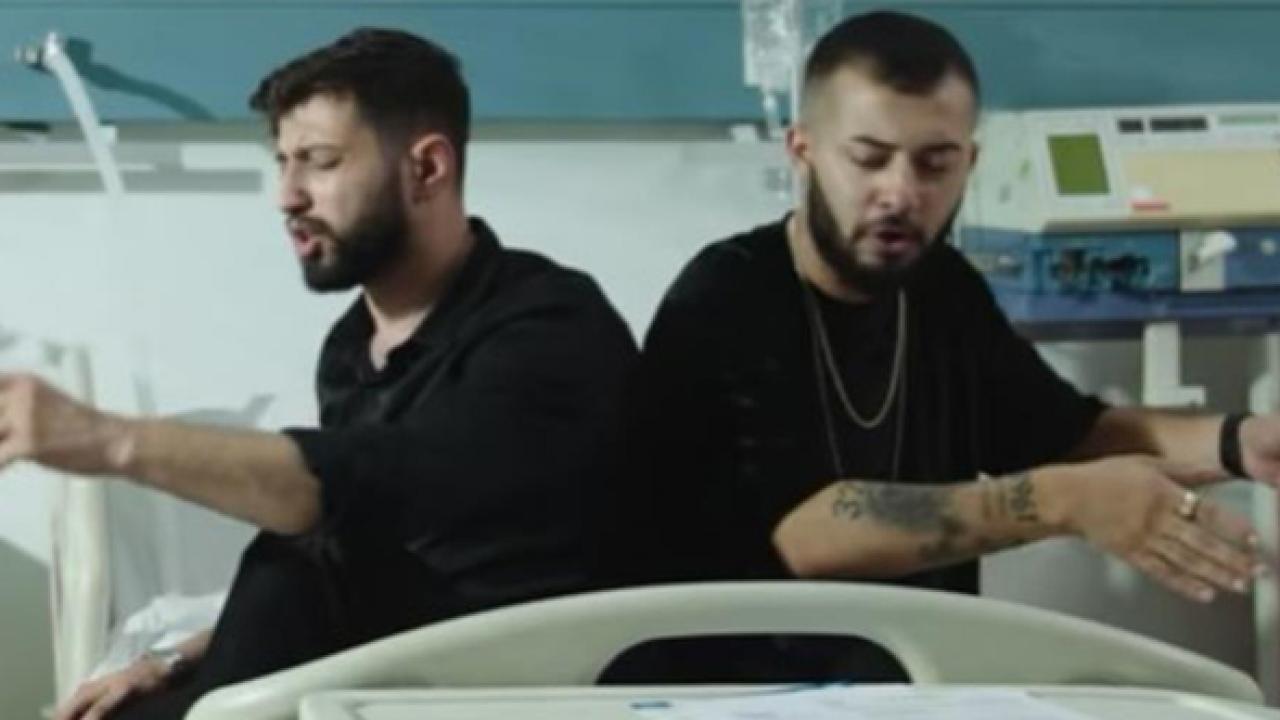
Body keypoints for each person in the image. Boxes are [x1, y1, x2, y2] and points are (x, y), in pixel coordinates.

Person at [12, 28, 638, 720]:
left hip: (492, 691)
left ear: (427, 169)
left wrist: (105, 440)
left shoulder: (549, 329)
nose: (287, 196)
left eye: (319, 162)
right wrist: (173, 660)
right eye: (282, 163)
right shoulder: (350, 349)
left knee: (290, 563)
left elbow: (377, 486)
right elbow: (351, 550)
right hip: (363, 674)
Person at [634, 9, 1271, 680]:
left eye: (934, 164)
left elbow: (1066, 433)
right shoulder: (727, 297)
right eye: (869, 159)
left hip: (921, 682)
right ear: (803, 152)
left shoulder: (941, 288)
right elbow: (807, 536)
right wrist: (1065, 501)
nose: (900, 193)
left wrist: (1239, 441)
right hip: (730, 691)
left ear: (970, 162)